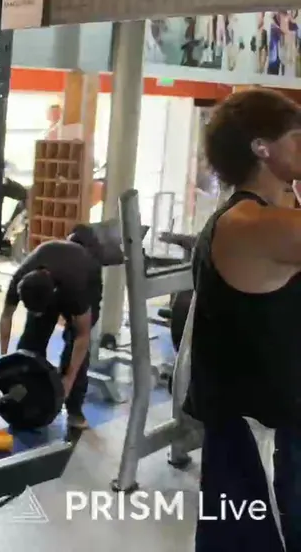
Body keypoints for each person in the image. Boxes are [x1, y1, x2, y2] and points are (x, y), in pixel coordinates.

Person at [185, 88, 301, 552]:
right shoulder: (249, 225)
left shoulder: (267, 218)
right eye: (297, 137)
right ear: (261, 147)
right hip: (259, 441)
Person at [0, 225, 104, 430]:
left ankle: (74, 410)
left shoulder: (77, 289)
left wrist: (68, 380)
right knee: (31, 341)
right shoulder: (21, 278)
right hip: (53, 275)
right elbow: (6, 316)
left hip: (86, 277)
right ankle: (27, 400)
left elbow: (82, 337)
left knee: (73, 346)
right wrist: (4, 359)